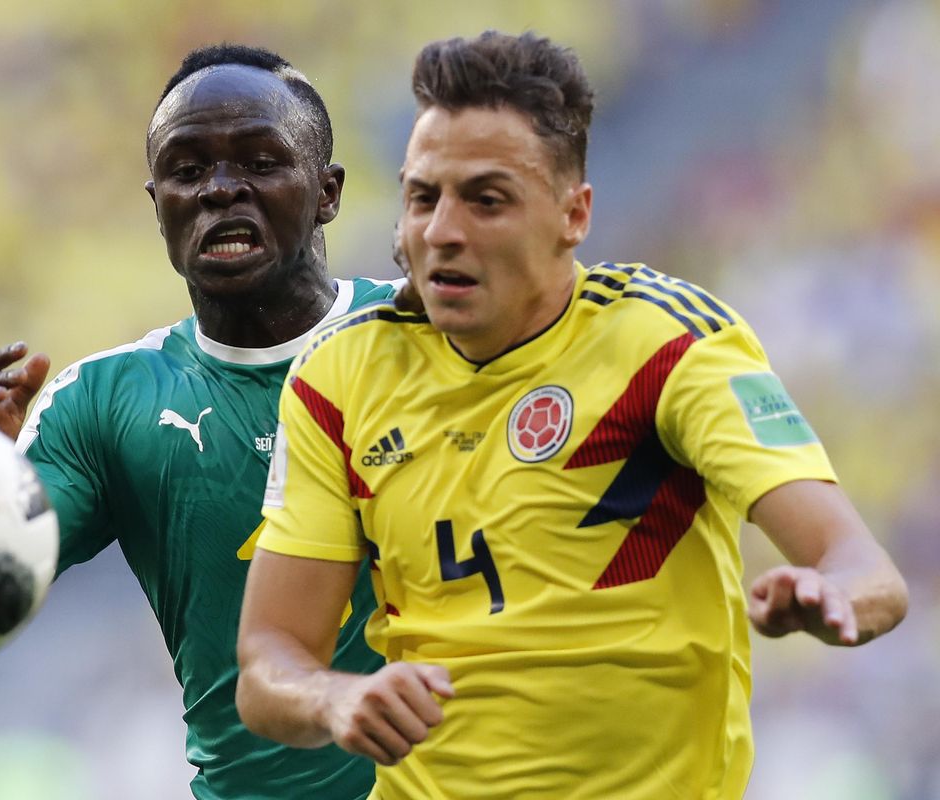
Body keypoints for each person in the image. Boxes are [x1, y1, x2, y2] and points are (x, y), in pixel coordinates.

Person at [235, 31, 909, 799]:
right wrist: (334, 697)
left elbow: (870, 575)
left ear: (573, 214)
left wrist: (830, 597)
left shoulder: (667, 345)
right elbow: (269, 663)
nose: (442, 231)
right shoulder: (340, 380)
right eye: (423, 197)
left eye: (486, 200)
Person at [0, 45, 400, 800]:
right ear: (158, 207)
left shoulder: (433, 336)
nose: (220, 189)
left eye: (259, 160)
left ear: (327, 191)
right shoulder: (105, 402)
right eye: (187, 170)